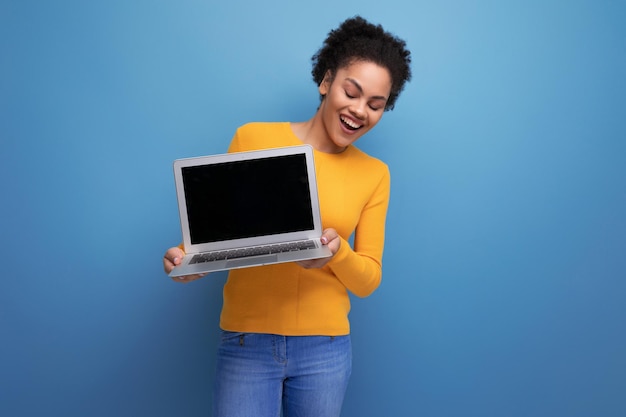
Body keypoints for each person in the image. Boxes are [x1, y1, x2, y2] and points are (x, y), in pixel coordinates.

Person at [163, 15, 411, 417]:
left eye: (375, 104)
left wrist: (335, 254)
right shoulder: (253, 139)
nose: (359, 110)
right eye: (352, 92)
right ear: (326, 81)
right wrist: (185, 261)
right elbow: (217, 235)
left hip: (325, 350)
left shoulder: (374, 174)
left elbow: (368, 278)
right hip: (247, 342)